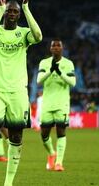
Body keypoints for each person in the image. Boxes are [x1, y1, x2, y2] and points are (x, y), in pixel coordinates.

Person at [0, 0, 42, 186]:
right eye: (10, 10)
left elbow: (39, 36)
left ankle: (8, 182)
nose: (12, 14)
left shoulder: (24, 34)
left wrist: (26, 8)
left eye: (16, 11)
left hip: (17, 91)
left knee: (16, 135)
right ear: (5, 12)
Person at [37, 39, 76, 172]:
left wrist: (59, 72)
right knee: (44, 134)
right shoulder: (44, 63)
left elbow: (72, 83)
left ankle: (59, 162)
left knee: (61, 132)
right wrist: (50, 70)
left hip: (62, 104)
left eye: (58, 45)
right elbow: (38, 80)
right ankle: (51, 153)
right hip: (47, 103)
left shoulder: (68, 64)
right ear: (50, 48)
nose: (56, 47)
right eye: (53, 45)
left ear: (62, 48)